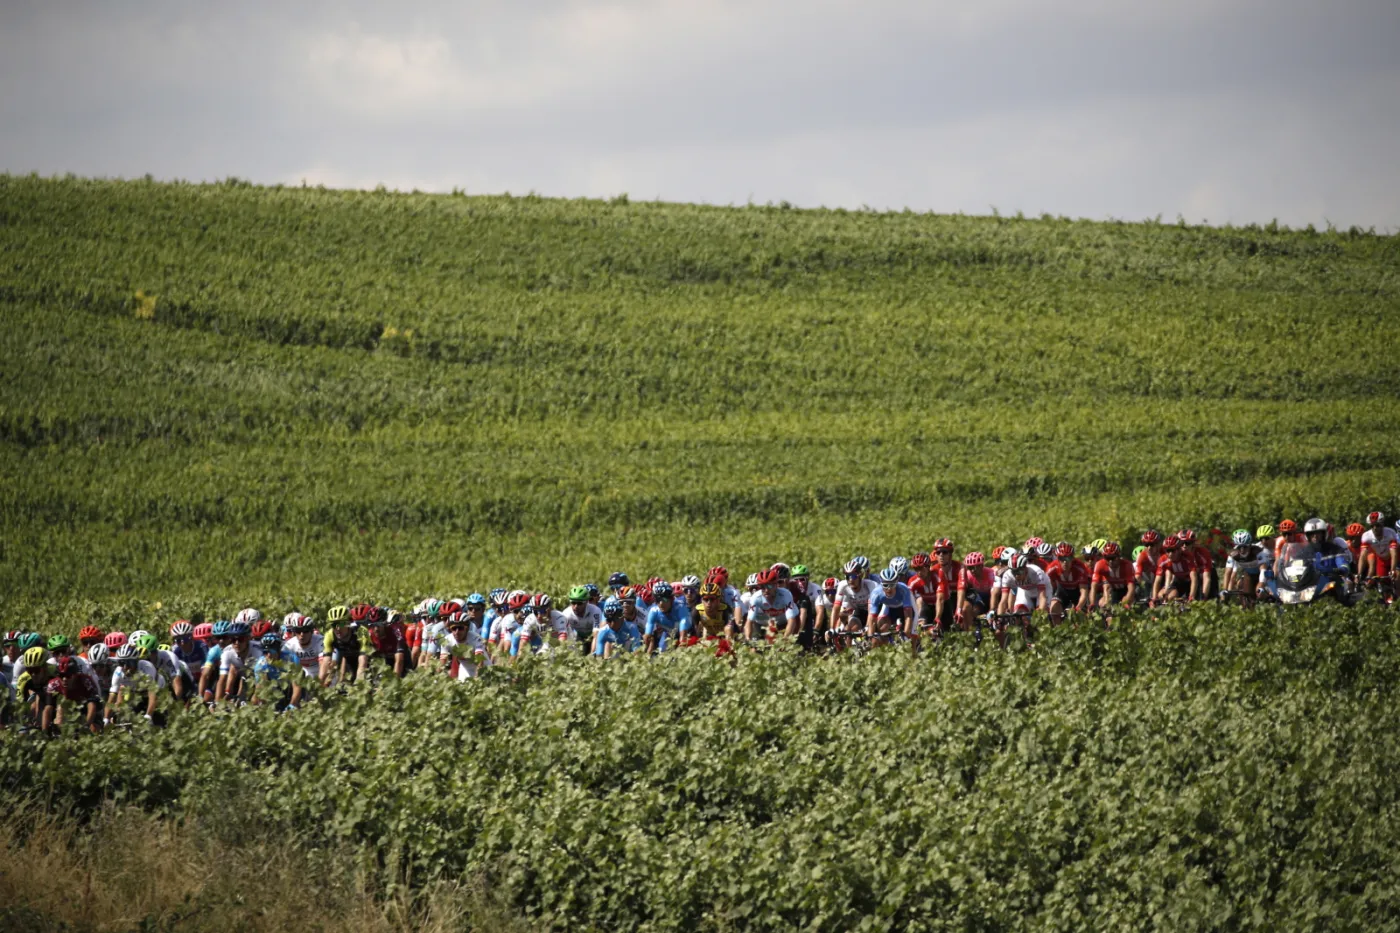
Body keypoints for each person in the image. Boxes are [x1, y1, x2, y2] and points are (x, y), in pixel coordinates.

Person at [250, 632, 304, 709]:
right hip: (275, 689)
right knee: (254, 700)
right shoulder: (261, 665)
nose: (268, 655)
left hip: (290, 687)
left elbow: (297, 686)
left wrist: (293, 703)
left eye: (271, 651)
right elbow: (260, 690)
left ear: (278, 650)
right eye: (265, 652)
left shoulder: (291, 659)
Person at [746, 569, 798, 641]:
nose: (766, 590)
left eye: (769, 586)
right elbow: (749, 621)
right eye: (763, 587)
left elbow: (792, 620)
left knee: (792, 641)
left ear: (776, 585)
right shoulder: (756, 597)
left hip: (785, 621)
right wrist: (748, 638)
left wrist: (785, 640)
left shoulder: (786, 594)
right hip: (765, 623)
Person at [867, 567, 915, 646]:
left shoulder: (904, 589)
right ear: (881, 584)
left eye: (892, 585)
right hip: (890, 610)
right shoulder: (876, 593)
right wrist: (870, 637)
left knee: (910, 635)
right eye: (885, 585)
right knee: (882, 628)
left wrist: (907, 633)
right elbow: (872, 619)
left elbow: (908, 616)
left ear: (897, 583)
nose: (889, 588)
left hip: (904, 610)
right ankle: (887, 649)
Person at [1046, 541, 1091, 624]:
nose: (1065, 562)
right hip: (1062, 590)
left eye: (1068, 558)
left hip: (1077, 592)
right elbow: (1048, 588)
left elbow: (1084, 592)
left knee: (1080, 616)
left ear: (1073, 558)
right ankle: (1058, 630)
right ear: (1057, 558)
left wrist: (1078, 608)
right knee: (1054, 610)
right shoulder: (1052, 568)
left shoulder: (1080, 568)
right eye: (1062, 559)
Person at [644, 582, 691, 654]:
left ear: (672, 599)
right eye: (658, 600)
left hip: (688, 633)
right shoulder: (654, 611)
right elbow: (647, 635)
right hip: (669, 634)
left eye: (664, 599)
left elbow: (683, 632)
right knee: (662, 651)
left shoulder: (680, 608)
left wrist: (682, 643)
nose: (661, 603)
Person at [1222, 529, 1267, 601]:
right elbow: (1228, 573)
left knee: (1260, 593)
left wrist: (1261, 585)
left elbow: (1263, 570)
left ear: (1249, 545)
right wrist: (1224, 589)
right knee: (1248, 594)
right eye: (1239, 547)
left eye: (1245, 547)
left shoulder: (1257, 551)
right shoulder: (1232, 554)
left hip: (1265, 573)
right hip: (1249, 574)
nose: (1242, 550)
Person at [1090, 542, 1137, 610]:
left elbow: (1131, 588)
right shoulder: (1100, 565)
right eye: (1107, 558)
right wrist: (1092, 604)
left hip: (1127, 589)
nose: (1110, 561)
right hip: (1115, 590)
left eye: (1112, 558)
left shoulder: (1127, 565)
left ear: (1118, 556)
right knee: (1104, 604)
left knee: (1126, 603)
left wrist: (1126, 602)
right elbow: (1093, 586)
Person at [1154, 535, 1200, 602]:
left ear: (1179, 550)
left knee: (1192, 599)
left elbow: (1194, 578)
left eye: (1173, 550)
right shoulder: (1163, 560)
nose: (1170, 554)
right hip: (1178, 581)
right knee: (1163, 595)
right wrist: (1154, 598)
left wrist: (1191, 596)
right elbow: (1157, 581)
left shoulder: (1187, 557)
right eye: (1168, 551)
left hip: (1190, 581)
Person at [1360, 511, 1400, 585]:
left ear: (1382, 525)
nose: (1375, 528)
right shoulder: (1366, 536)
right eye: (1372, 526)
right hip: (1381, 561)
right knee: (1382, 584)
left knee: (1397, 580)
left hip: (1395, 558)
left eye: (1377, 525)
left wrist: (1393, 570)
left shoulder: (1390, 533)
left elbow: (1394, 554)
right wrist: (1359, 574)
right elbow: (1362, 556)